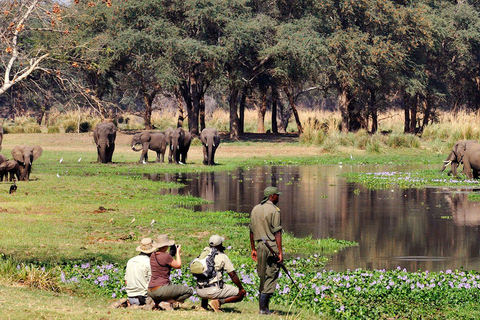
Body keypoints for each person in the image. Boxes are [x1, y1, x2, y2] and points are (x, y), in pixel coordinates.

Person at [249, 186, 283, 315]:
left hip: (260, 246)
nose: (278, 197)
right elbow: (277, 233)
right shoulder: (275, 211)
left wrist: (253, 248)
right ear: (271, 196)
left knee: (262, 275)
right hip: (271, 246)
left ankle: (264, 308)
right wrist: (280, 252)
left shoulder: (255, 209)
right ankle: (263, 309)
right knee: (271, 274)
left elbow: (251, 231)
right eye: (277, 195)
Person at [195, 235, 246, 313]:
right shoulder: (222, 257)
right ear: (220, 245)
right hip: (213, 291)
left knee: (206, 277)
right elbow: (233, 275)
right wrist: (241, 288)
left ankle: (203, 306)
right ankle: (218, 302)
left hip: (199, 291)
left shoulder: (203, 255)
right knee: (240, 294)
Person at [147, 234, 193, 310]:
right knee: (188, 291)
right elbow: (178, 265)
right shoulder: (165, 256)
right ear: (166, 246)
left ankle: (156, 303)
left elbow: (163, 262)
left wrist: (171, 254)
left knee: (169, 290)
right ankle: (167, 303)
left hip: (150, 290)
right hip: (161, 290)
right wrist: (178, 252)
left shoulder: (152, 255)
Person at [124, 237, 156, 308]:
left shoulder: (130, 261)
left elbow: (126, 281)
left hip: (131, 296)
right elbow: (152, 282)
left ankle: (129, 303)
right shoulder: (149, 262)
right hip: (144, 297)